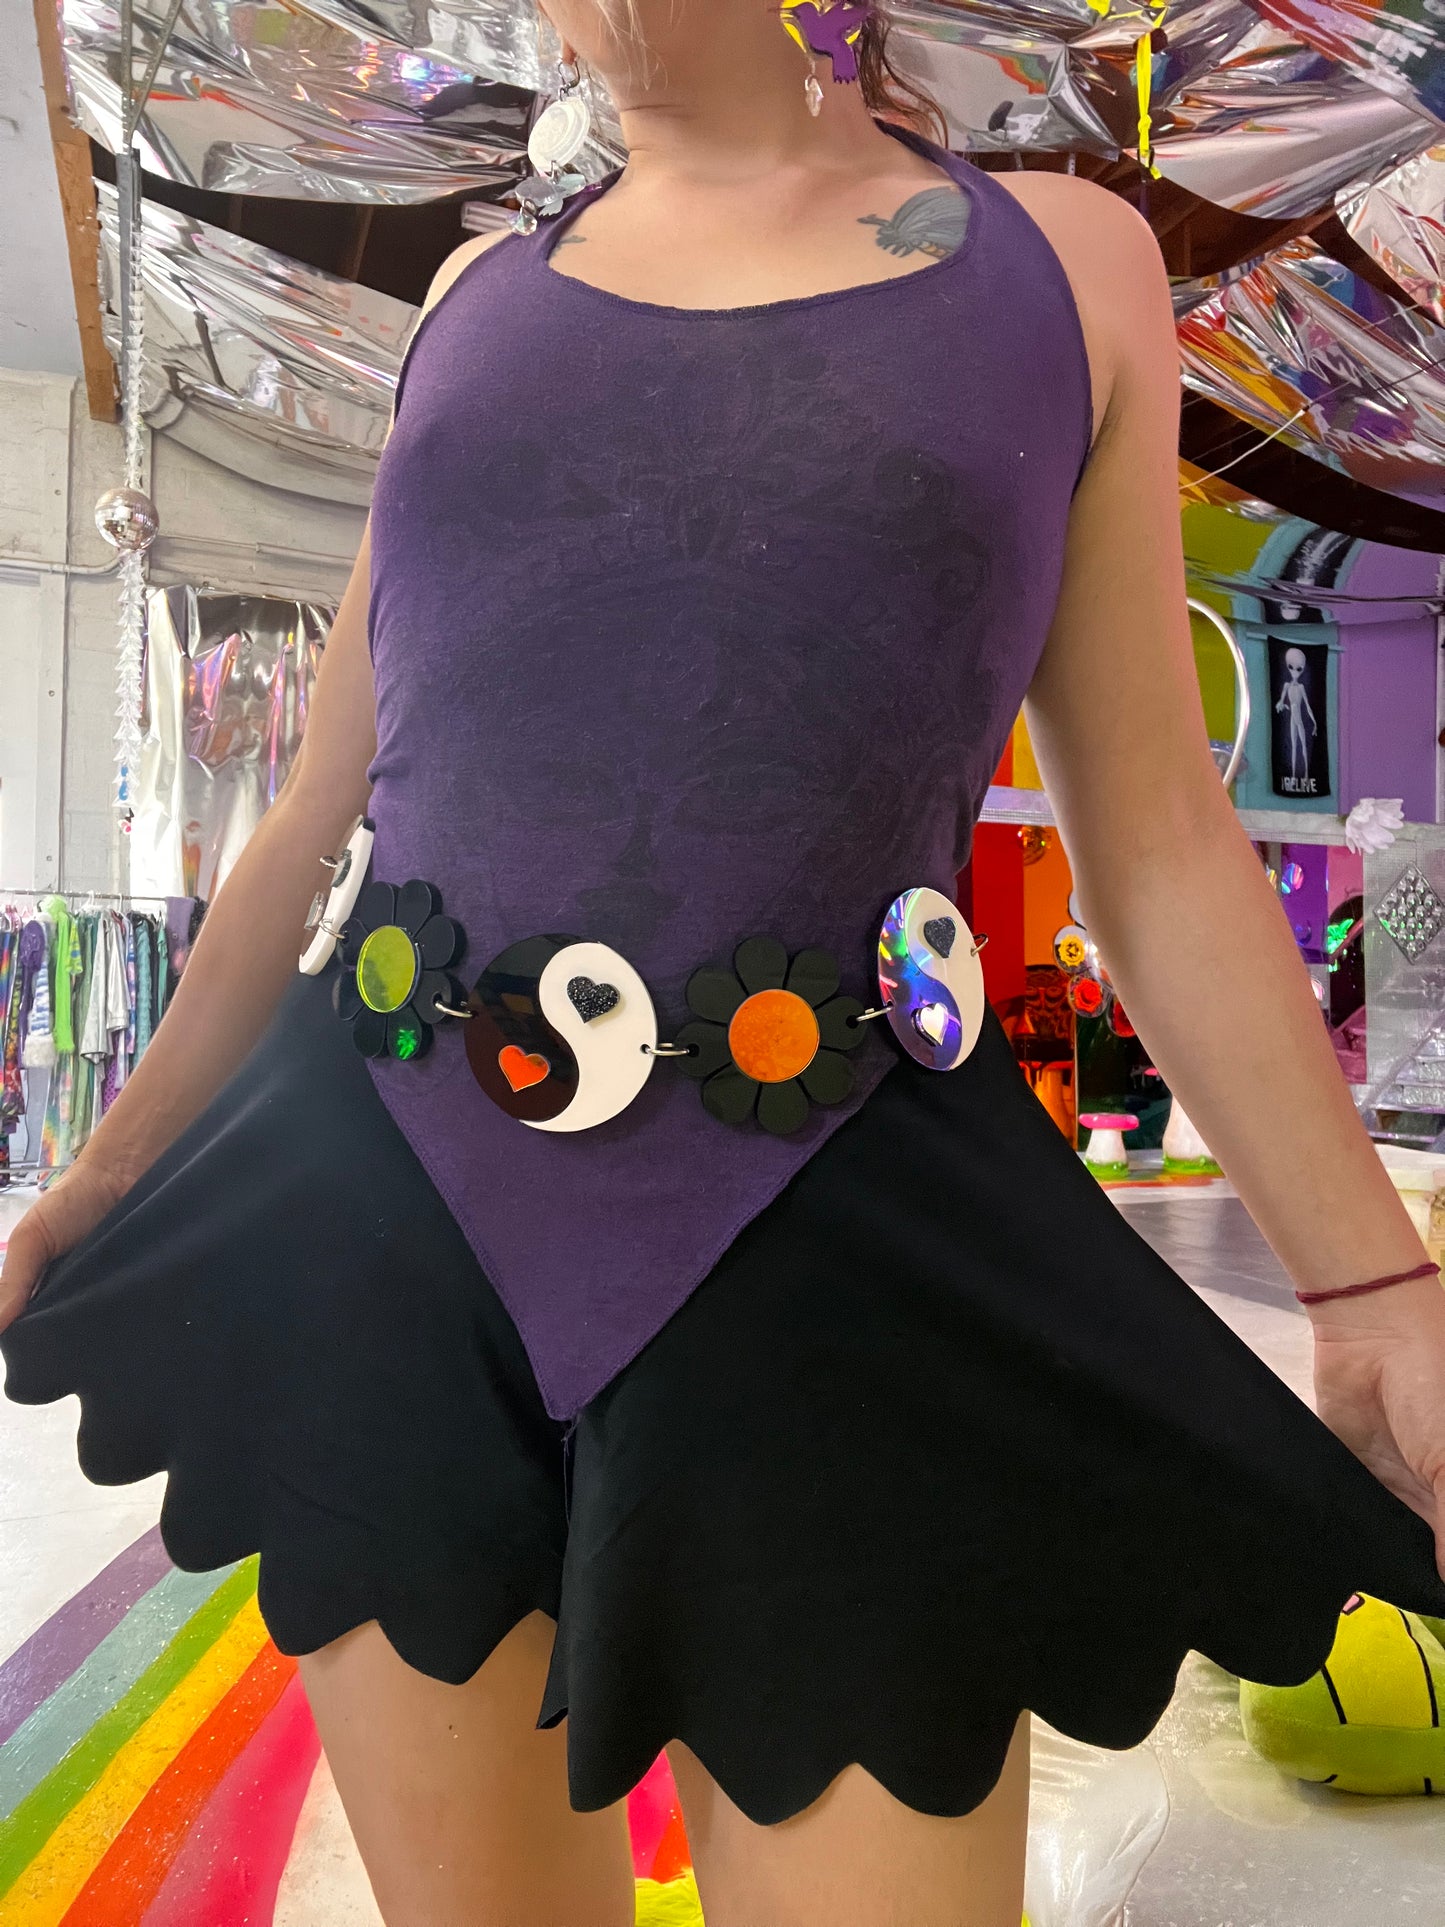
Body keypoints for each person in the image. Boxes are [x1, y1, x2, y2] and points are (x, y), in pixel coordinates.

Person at [4, 4, 1445, 1923]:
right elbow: (318, 816)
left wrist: (1372, 1288)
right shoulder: (472, 300)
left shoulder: (1065, 262)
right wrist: (99, 1177)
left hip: (840, 1225)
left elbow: (1157, 838)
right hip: (379, 1222)